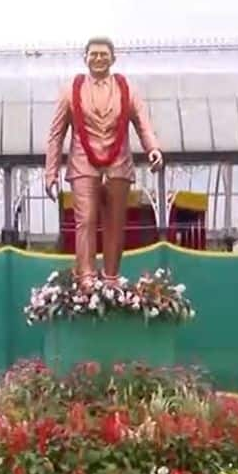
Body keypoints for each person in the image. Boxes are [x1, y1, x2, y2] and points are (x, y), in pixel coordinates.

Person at [44, 36, 163, 289]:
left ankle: (111, 278)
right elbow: (56, 134)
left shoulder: (127, 89)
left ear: (113, 58)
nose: (98, 58)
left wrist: (152, 148)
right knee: (85, 219)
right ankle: (86, 278)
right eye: (94, 54)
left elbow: (143, 123)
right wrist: (50, 173)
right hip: (83, 163)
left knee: (115, 222)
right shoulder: (70, 90)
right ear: (85, 58)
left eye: (104, 54)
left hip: (118, 163)